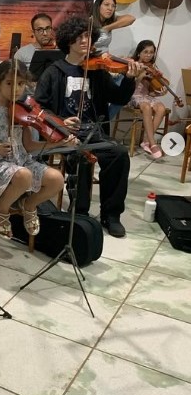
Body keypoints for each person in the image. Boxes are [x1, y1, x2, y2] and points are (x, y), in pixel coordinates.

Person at [34, 17, 141, 238]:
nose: (86, 41)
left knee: (119, 155)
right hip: (64, 134)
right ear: (69, 41)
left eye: (88, 37)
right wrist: (61, 122)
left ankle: (111, 215)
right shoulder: (54, 71)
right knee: (80, 156)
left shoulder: (97, 70)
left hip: (94, 130)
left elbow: (119, 96)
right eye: (80, 37)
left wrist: (130, 79)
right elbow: (39, 108)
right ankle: (79, 211)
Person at [0, 59, 73, 238]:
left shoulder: (23, 109)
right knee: (24, 175)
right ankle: (1, 210)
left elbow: (30, 146)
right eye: (9, 83)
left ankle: (29, 205)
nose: (16, 89)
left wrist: (59, 143)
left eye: (21, 83)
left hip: (21, 161)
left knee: (57, 179)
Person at [129, 40, 168, 159]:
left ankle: (146, 140)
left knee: (161, 108)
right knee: (146, 106)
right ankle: (152, 143)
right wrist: (140, 76)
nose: (148, 55)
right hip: (133, 95)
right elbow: (128, 87)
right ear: (139, 53)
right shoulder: (133, 65)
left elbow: (151, 91)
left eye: (151, 52)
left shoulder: (152, 68)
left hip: (146, 96)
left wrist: (159, 92)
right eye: (145, 52)